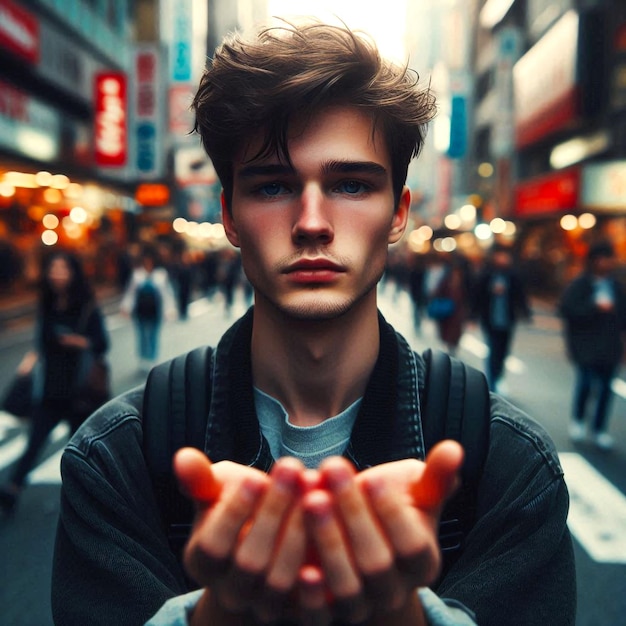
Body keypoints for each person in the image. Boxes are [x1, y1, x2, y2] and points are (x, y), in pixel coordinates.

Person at [52, 20, 576, 625]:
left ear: (399, 212)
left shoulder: (509, 463)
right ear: (228, 215)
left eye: (351, 184)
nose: (311, 221)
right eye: (273, 186)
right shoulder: (118, 457)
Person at [0, 250, 109, 515]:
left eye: (63, 269)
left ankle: (97, 498)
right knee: (35, 439)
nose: (57, 274)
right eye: (53, 269)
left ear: (73, 273)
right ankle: (12, 489)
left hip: (79, 388)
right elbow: (41, 342)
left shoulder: (86, 305)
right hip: (50, 386)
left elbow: (102, 343)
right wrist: (28, 365)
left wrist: (76, 341)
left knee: (82, 447)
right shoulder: (47, 304)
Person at [559, 240, 626, 450]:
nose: (606, 263)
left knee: (606, 389)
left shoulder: (616, 286)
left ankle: (599, 429)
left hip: (610, 346)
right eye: (602, 259)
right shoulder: (580, 284)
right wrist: (594, 307)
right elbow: (568, 312)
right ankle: (578, 420)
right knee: (586, 384)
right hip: (586, 346)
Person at [472, 244, 532, 393]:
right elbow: (476, 295)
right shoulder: (486, 274)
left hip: (507, 319)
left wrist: (525, 312)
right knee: (493, 349)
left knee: (503, 350)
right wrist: (473, 314)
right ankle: (491, 382)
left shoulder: (513, 275)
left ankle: (498, 376)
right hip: (490, 318)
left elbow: (520, 295)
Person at [120, 243, 177, 371]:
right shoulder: (137, 275)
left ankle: (152, 357)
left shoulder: (161, 274)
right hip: (141, 311)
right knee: (141, 334)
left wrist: (170, 309)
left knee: (153, 334)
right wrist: (126, 307)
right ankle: (142, 357)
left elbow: (167, 294)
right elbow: (131, 293)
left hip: (155, 310)